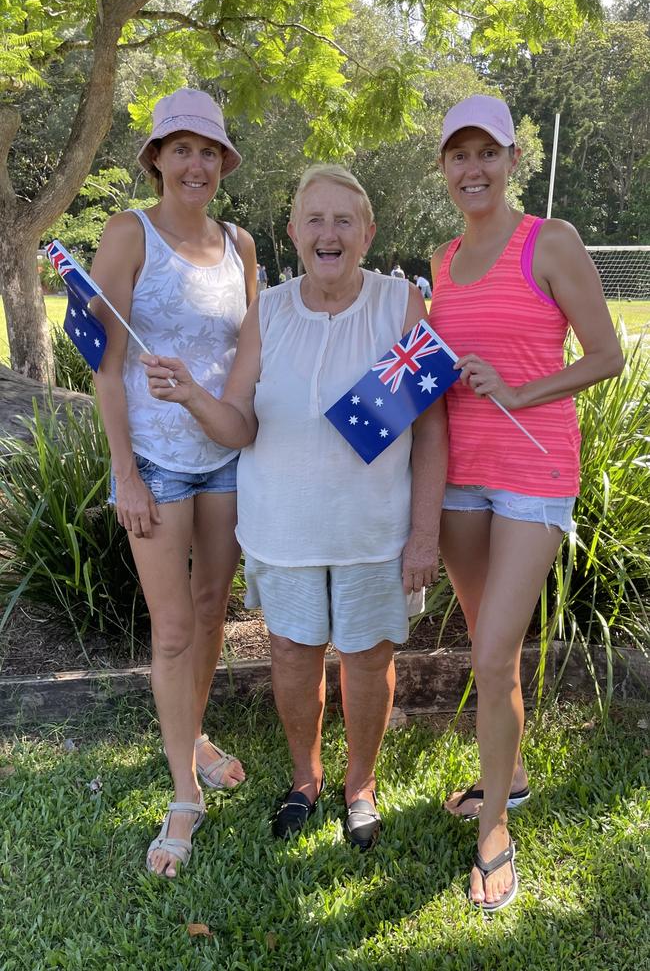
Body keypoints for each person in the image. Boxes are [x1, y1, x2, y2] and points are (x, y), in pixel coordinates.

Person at [142, 164, 448, 852]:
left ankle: (360, 786)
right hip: (282, 529)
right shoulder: (270, 310)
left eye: (345, 220)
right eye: (315, 219)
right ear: (293, 232)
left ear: (367, 234)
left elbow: (430, 430)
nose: (329, 233)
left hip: (373, 532)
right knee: (290, 652)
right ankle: (305, 780)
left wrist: (423, 535)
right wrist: (194, 395)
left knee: (369, 658)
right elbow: (240, 424)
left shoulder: (399, 303)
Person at [430, 94, 624, 911]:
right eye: (458, 155)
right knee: (489, 646)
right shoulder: (440, 260)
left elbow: (607, 355)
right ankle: (503, 781)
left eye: (488, 153)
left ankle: (495, 835)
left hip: (535, 473)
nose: (473, 169)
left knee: (493, 649)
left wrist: (519, 388)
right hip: (460, 478)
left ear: (514, 161)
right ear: (443, 168)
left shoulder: (551, 241)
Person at [90, 88, 258, 878]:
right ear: (156, 157)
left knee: (211, 611)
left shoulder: (241, 245)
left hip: (225, 457)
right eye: (181, 148)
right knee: (174, 631)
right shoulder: (129, 233)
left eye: (208, 151)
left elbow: (251, 358)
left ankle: (191, 731)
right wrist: (124, 472)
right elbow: (105, 366)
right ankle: (183, 794)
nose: (196, 164)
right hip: (155, 463)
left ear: (223, 163)